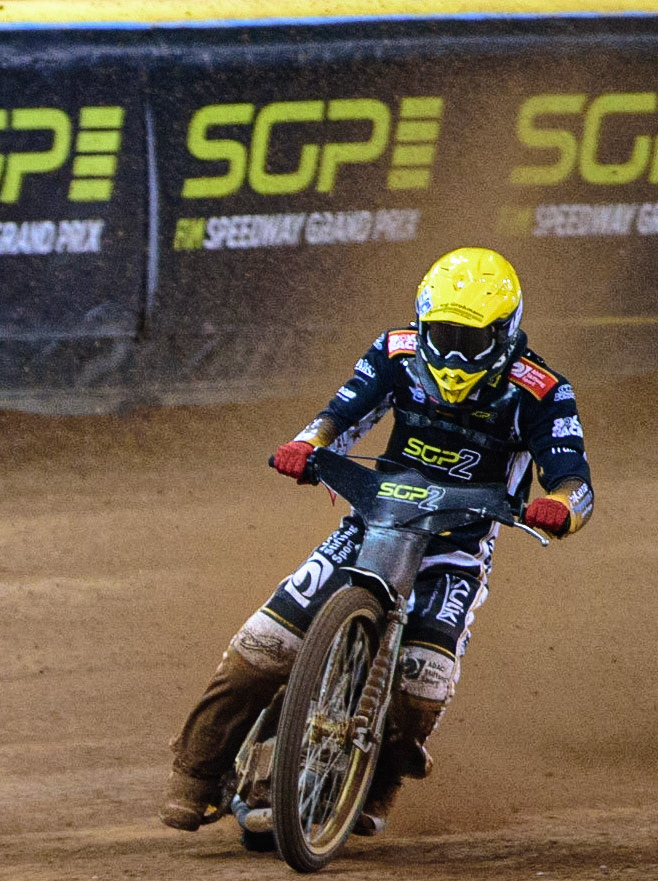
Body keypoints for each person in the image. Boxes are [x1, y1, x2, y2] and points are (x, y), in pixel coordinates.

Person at [159, 247, 594, 836]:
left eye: (470, 340)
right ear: (421, 321)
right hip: (372, 525)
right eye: (443, 334)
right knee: (262, 645)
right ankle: (195, 774)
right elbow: (340, 416)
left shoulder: (542, 391)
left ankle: (380, 782)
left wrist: (560, 507)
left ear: (505, 332)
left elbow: (573, 480)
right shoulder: (396, 352)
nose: (454, 353)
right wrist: (307, 446)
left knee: (422, 683)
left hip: (454, 552)